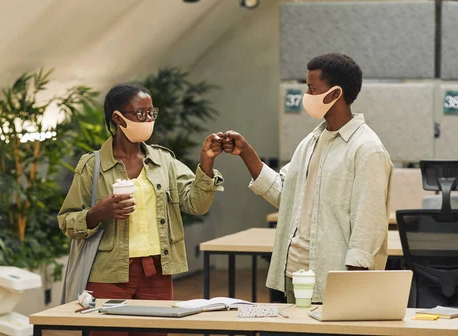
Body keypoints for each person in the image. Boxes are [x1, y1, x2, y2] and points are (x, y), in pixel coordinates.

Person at [222, 53, 393, 303]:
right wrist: (246, 152)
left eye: (312, 89)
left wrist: (351, 288)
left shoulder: (367, 149)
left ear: (336, 94)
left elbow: (369, 225)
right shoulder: (311, 141)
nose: (307, 96)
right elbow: (284, 193)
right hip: (294, 273)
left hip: (335, 279)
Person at [58, 84, 225, 336]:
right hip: (107, 273)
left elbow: (196, 204)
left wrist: (207, 162)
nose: (148, 119)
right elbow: (66, 221)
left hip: (156, 272)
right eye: (140, 113)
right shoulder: (92, 166)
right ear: (117, 118)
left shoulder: (164, 161)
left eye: (151, 113)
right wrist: (98, 212)